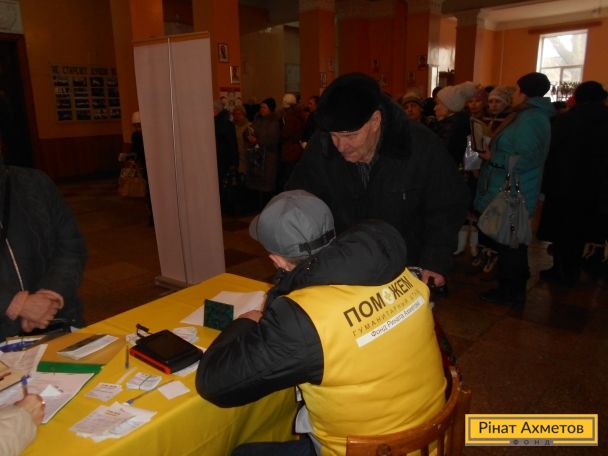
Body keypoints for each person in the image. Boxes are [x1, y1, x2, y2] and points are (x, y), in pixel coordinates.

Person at [196, 190, 446, 456]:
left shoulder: (305, 319)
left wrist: (246, 323)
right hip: (431, 439)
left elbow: (214, 383)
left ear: (277, 260)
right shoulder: (398, 271)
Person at [286, 73, 469, 287]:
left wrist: (435, 260)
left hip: (404, 268)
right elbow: (299, 197)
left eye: (350, 136)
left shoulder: (420, 146)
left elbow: (446, 206)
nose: (340, 146)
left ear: (375, 120)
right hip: (341, 264)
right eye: (334, 135)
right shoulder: (321, 144)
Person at [475, 72, 554, 306]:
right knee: (511, 241)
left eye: (517, 90)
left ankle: (510, 290)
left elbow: (527, 158)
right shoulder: (527, 115)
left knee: (510, 242)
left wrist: (493, 157)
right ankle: (513, 285)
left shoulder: (531, 119)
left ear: (525, 93)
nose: (514, 95)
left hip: (514, 189)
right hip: (511, 185)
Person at [0, 163, 87, 341]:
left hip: (56, 320)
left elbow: (71, 246)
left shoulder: (35, 182)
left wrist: (50, 295)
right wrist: (14, 303)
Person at [537, 81, 608, 285]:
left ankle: (561, 269)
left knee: (563, 231)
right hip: (597, 188)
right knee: (584, 231)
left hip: (565, 185)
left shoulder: (567, 120)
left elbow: (552, 152)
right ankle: (578, 268)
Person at [432, 81, 477, 167]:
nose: (435, 108)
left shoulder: (453, 127)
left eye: (438, 104)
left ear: (449, 106)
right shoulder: (452, 122)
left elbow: (439, 153)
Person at [278, 93, 305, 188]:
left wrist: (279, 134)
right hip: (295, 149)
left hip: (290, 150)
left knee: (288, 177)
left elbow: (285, 133)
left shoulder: (290, 116)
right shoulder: (298, 114)